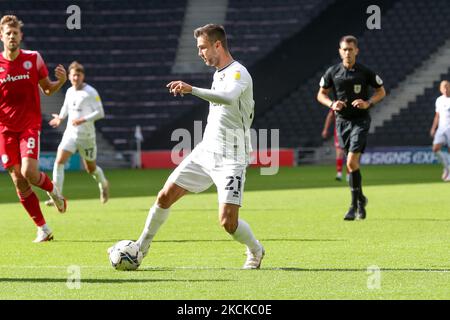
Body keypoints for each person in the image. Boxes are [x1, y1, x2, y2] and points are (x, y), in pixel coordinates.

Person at [127, 24, 264, 269]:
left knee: (227, 223)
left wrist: (192, 89)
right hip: (206, 151)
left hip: (232, 158)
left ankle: (255, 249)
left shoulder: (238, 72)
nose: (200, 53)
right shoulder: (218, 74)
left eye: (202, 47)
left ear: (217, 45)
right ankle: (140, 247)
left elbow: (229, 98)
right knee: (164, 196)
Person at [0, 15, 67, 242]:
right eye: (8, 33)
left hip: (29, 125)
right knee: (18, 180)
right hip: (5, 129)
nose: (12, 36)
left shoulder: (33, 58)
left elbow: (47, 90)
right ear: (1, 36)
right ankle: (43, 228)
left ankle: (54, 191)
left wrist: (61, 81)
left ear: (21, 36)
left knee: (29, 172)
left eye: (15, 33)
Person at [317, 35, 386, 221]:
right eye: (344, 49)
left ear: (356, 51)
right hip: (342, 122)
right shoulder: (333, 72)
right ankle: (361, 200)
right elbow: (321, 94)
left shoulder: (364, 72)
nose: (347, 52)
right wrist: (332, 104)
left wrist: (368, 102)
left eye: (350, 49)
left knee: (350, 162)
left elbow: (381, 91)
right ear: (340, 51)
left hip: (360, 121)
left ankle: (352, 207)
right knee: (352, 164)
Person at [46, 61, 109, 205]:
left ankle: (104, 184)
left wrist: (82, 120)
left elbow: (100, 113)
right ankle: (56, 196)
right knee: (59, 161)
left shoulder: (91, 92)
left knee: (90, 169)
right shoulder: (69, 91)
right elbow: (66, 107)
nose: (76, 78)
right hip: (70, 134)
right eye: (73, 75)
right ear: (69, 76)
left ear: (83, 76)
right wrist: (61, 118)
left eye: (78, 75)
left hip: (86, 137)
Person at [430, 80, 450, 181]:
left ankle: (449, 171)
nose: (446, 89)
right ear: (441, 89)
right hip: (441, 128)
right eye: (444, 87)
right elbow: (437, 116)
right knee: (435, 149)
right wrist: (433, 128)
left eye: (447, 87)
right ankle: (447, 168)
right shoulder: (439, 100)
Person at [321, 109, 347, 181]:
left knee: (350, 153)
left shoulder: (352, 101)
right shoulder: (336, 102)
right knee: (339, 153)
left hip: (351, 129)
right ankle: (339, 174)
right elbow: (330, 116)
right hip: (339, 131)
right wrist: (325, 129)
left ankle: (349, 174)